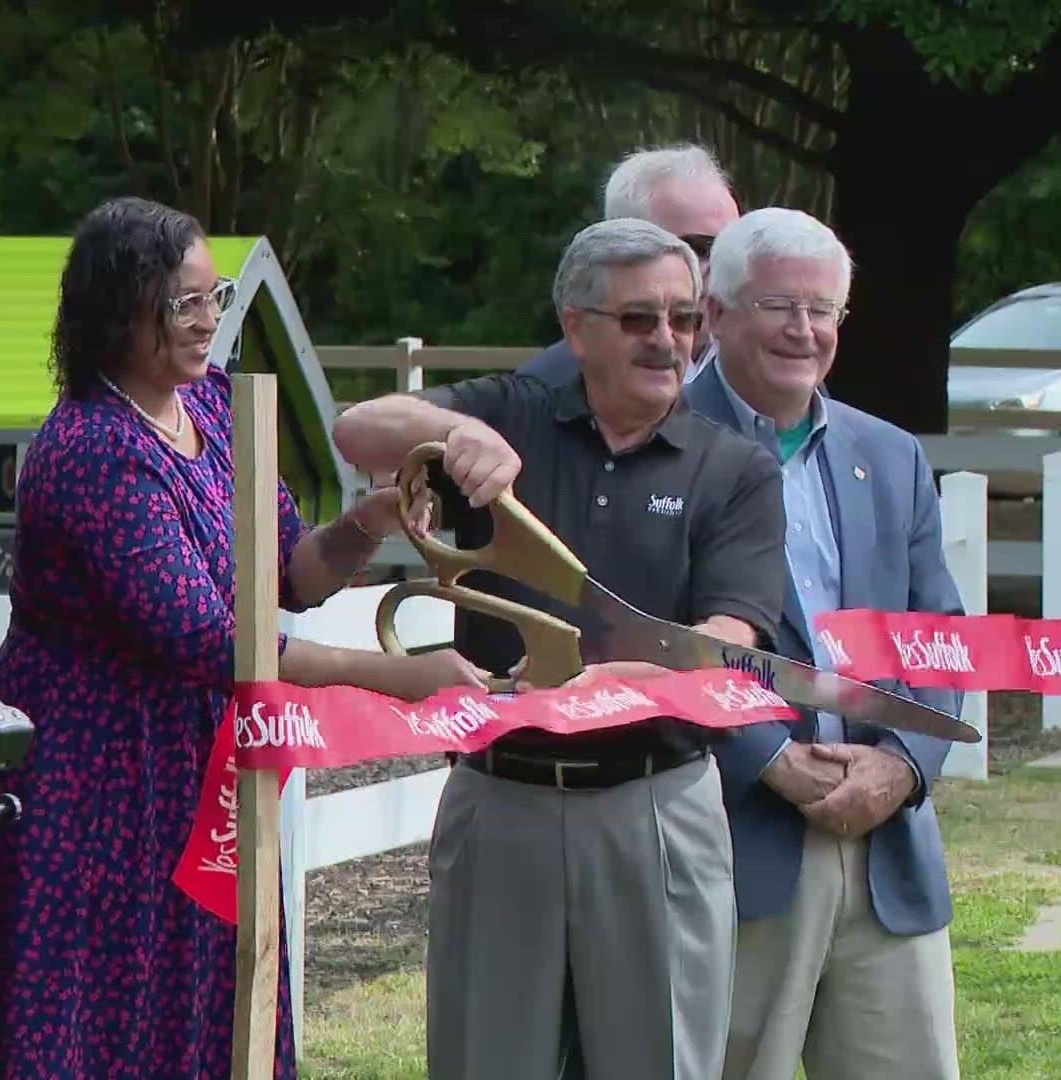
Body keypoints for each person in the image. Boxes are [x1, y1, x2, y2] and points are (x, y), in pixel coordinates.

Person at [0, 196, 489, 1079]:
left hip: (199, 765)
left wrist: (368, 522)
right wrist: (402, 678)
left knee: (215, 998)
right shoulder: (92, 448)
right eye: (183, 303)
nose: (209, 321)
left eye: (218, 298)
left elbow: (287, 574)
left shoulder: (213, 412)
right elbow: (209, 640)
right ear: (116, 310)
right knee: (109, 1012)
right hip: (98, 779)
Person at [332, 218, 789, 1080]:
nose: (669, 341)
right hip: (500, 799)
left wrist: (620, 685)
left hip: (654, 802)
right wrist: (449, 431)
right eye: (639, 319)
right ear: (577, 328)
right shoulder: (513, 414)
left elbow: (733, 637)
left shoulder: (736, 469)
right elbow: (358, 430)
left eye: (685, 319)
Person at [683, 207, 963, 1079]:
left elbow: (940, 639)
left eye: (823, 310)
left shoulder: (891, 454)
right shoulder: (657, 447)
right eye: (778, 305)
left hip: (886, 849)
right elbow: (655, 645)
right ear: (716, 312)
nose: (803, 330)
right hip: (735, 841)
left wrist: (904, 764)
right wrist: (773, 761)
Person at [516, 143, 740, 386]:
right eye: (700, 248)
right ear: (625, 246)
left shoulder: (763, 367)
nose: (723, 266)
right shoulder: (546, 390)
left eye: (733, 247)